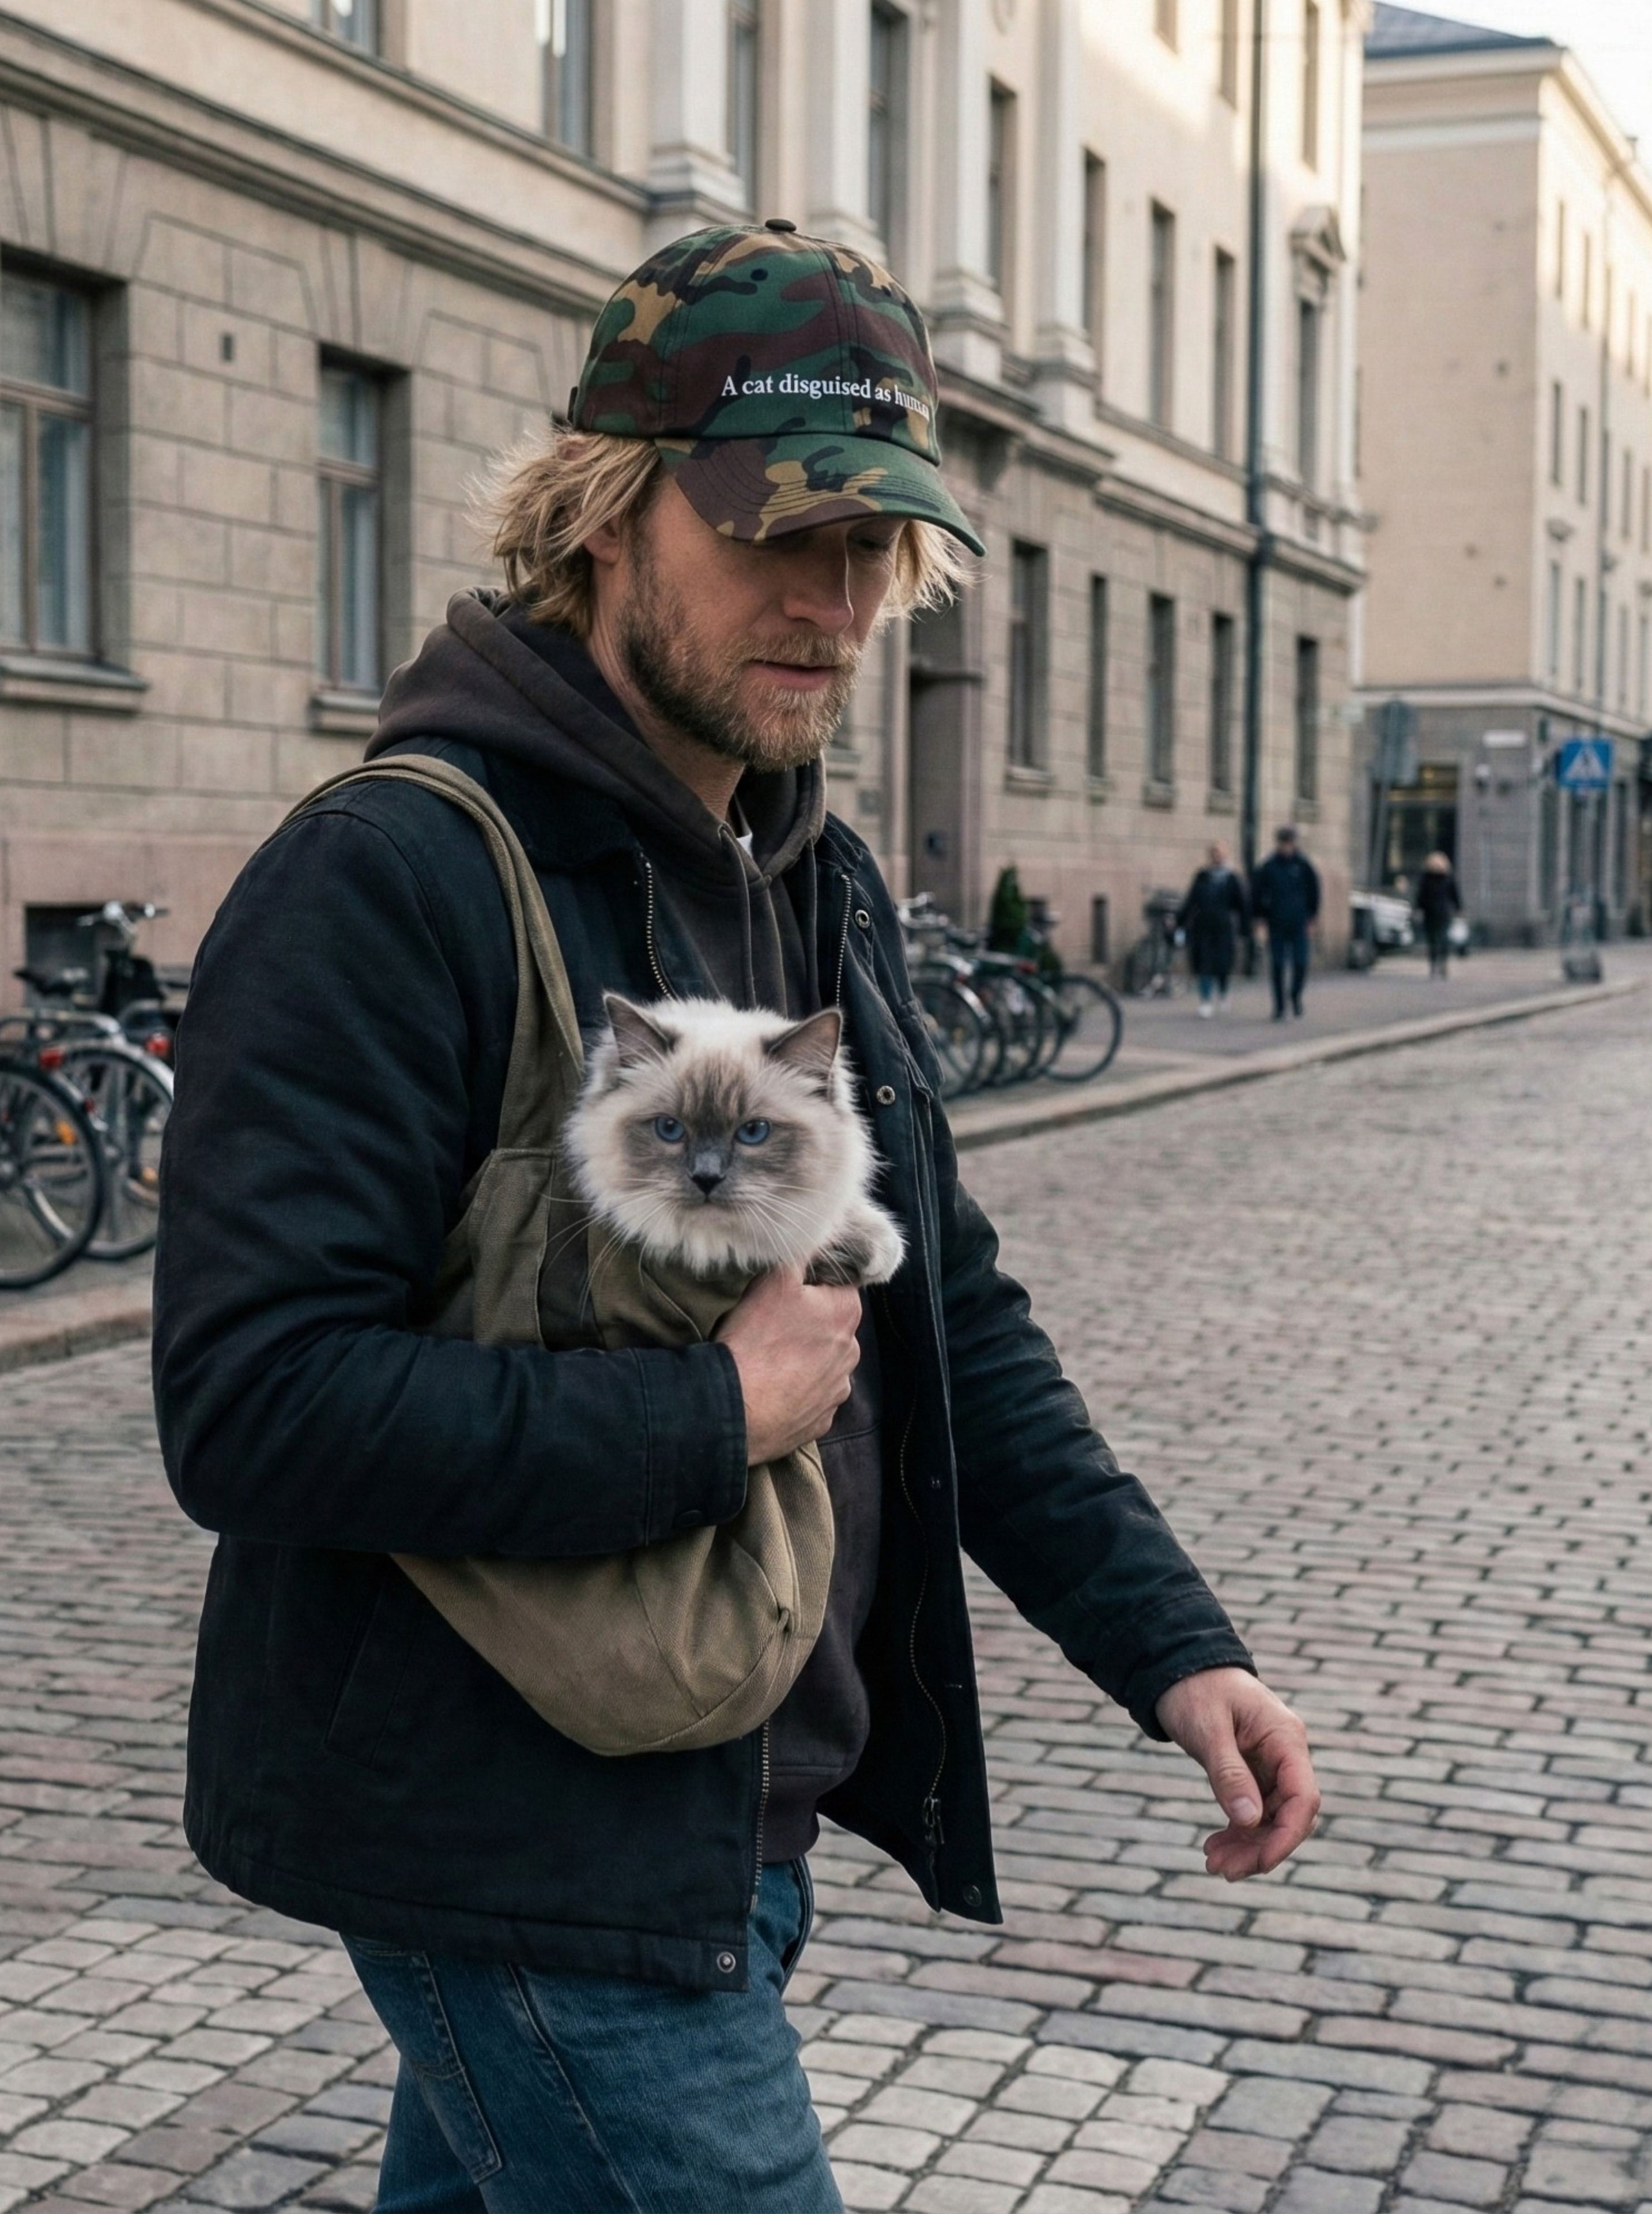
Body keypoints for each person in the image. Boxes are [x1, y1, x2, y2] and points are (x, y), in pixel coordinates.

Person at [154, 223, 1318, 2214]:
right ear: (608, 515)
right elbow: (250, 1406)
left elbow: (943, 1302)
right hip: (515, 1845)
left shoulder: (815, 875)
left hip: (718, 1832)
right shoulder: (396, 875)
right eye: (775, 534)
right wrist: (718, 1416)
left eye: (872, 549)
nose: (833, 601)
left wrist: (1170, 1645)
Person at [1250, 823, 1322, 1019]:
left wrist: (1312, 917)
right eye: (1284, 843)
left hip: (1299, 923)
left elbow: (1314, 892)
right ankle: (1280, 1006)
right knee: (1278, 965)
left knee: (1300, 963)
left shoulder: (1303, 865)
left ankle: (1296, 995)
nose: (1287, 847)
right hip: (1277, 923)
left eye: (1289, 843)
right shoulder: (1269, 866)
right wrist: (1259, 918)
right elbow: (1257, 893)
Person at [1177, 841, 1249, 1015]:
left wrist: (1245, 929)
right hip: (1204, 927)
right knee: (1204, 965)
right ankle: (1206, 1000)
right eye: (1215, 854)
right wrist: (1181, 921)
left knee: (1223, 965)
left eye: (1221, 854)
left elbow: (1242, 905)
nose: (1217, 857)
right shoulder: (1202, 876)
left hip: (1224, 927)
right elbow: (1191, 900)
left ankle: (1223, 994)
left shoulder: (1231, 878)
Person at [1416, 850, 1461, 978]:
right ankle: (1435, 964)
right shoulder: (1426, 877)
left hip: (1442, 912)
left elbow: (1455, 894)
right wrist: (1419, 909)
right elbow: (1421, 895)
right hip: (1431, 912)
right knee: (1433, 940)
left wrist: (1458, 908)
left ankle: (1441, 964)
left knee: (1442, 939)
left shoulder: (1447, 877)